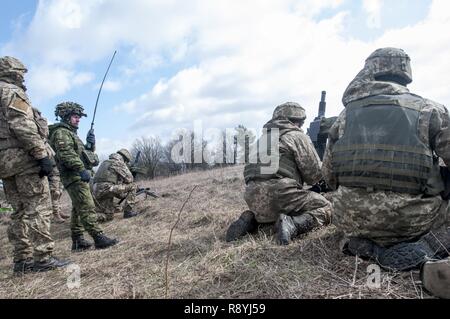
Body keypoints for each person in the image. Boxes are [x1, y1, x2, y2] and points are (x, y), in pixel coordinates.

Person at [322, 47, 450, 296]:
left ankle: (365, 246)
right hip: (411, 223)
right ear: (405, 74)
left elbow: (328, 177)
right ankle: (424, 247)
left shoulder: (344, 116)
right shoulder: (430, 110)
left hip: (351, 219)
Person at [0, 56, 70, 273]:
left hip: (4, 163)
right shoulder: (10, 91)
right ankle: (43, 258)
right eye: (22, 72)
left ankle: (22, 260)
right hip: (23, 159)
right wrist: (41, 154)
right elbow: (21, 123)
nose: (23, 77)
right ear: (13, 71)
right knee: (39, 208)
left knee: (18, 211)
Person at [226, 102, 332, 245]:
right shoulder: (296, 135)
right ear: (296, 120)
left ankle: (251, 219)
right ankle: (294, 225)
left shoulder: (261, 140)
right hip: (281, 195)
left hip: (253, 198)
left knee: (274, 209)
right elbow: (314, 176)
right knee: (326, 207)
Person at [49, 101, 118, 251]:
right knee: (87, 206)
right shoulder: (61, 132)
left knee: (77, 208)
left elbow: (82, 154)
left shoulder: (71, 134)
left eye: (79, 117)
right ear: (66, 117)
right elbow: (66, 154)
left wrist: (89, 144)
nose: (78, 119)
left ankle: (77, 240)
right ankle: (98, 237)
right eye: (75, 116)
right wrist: (81, 169)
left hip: (77, 175)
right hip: (74, 176)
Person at [31, 106, 68, 223]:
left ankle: (58, 210)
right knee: (54, 190)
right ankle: (55, 214)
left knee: (58, 188)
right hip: (43, 159)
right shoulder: (31, 121)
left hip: (49, 158)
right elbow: (43, 131)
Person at [93, 148, 139, 222]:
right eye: (126, 162)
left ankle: (88, 217)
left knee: (109, 216)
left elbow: (117, 191)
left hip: (97, 191)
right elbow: (130, 179)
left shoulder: (105, 162)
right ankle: (128, 212)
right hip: (107, 189)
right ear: (125, 159)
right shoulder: (119, 162)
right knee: (133, 186)